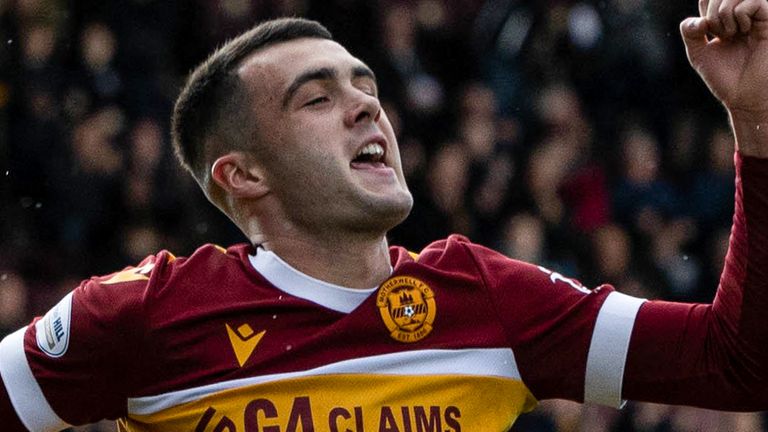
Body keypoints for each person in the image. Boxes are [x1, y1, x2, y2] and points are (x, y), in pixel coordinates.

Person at [1, 1, 767, 429]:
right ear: (243, 174)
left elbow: (742, 363)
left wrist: (760, 127)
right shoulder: (141, 313)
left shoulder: (489, 297)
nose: (367, 104)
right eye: (318, 97)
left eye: (364, 85)